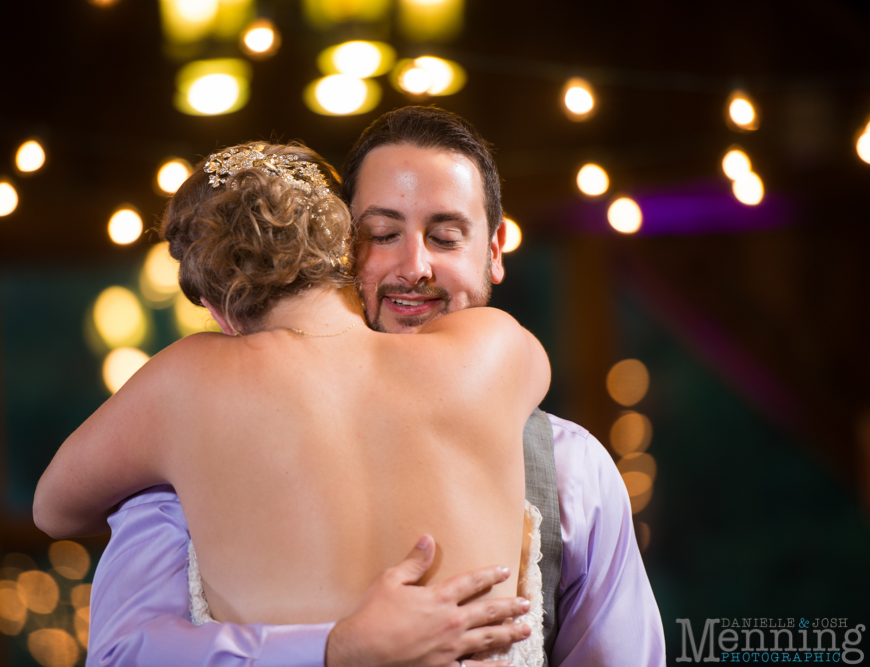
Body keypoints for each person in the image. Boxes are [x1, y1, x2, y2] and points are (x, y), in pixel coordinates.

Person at [79, 107, 666, 667]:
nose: (413, 266)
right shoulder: (194, 443)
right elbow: (122, 655)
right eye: (382, 234)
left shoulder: (573, 469)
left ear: (493, 252)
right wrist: (329, 651)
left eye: (445, 236)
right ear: (334, 251)